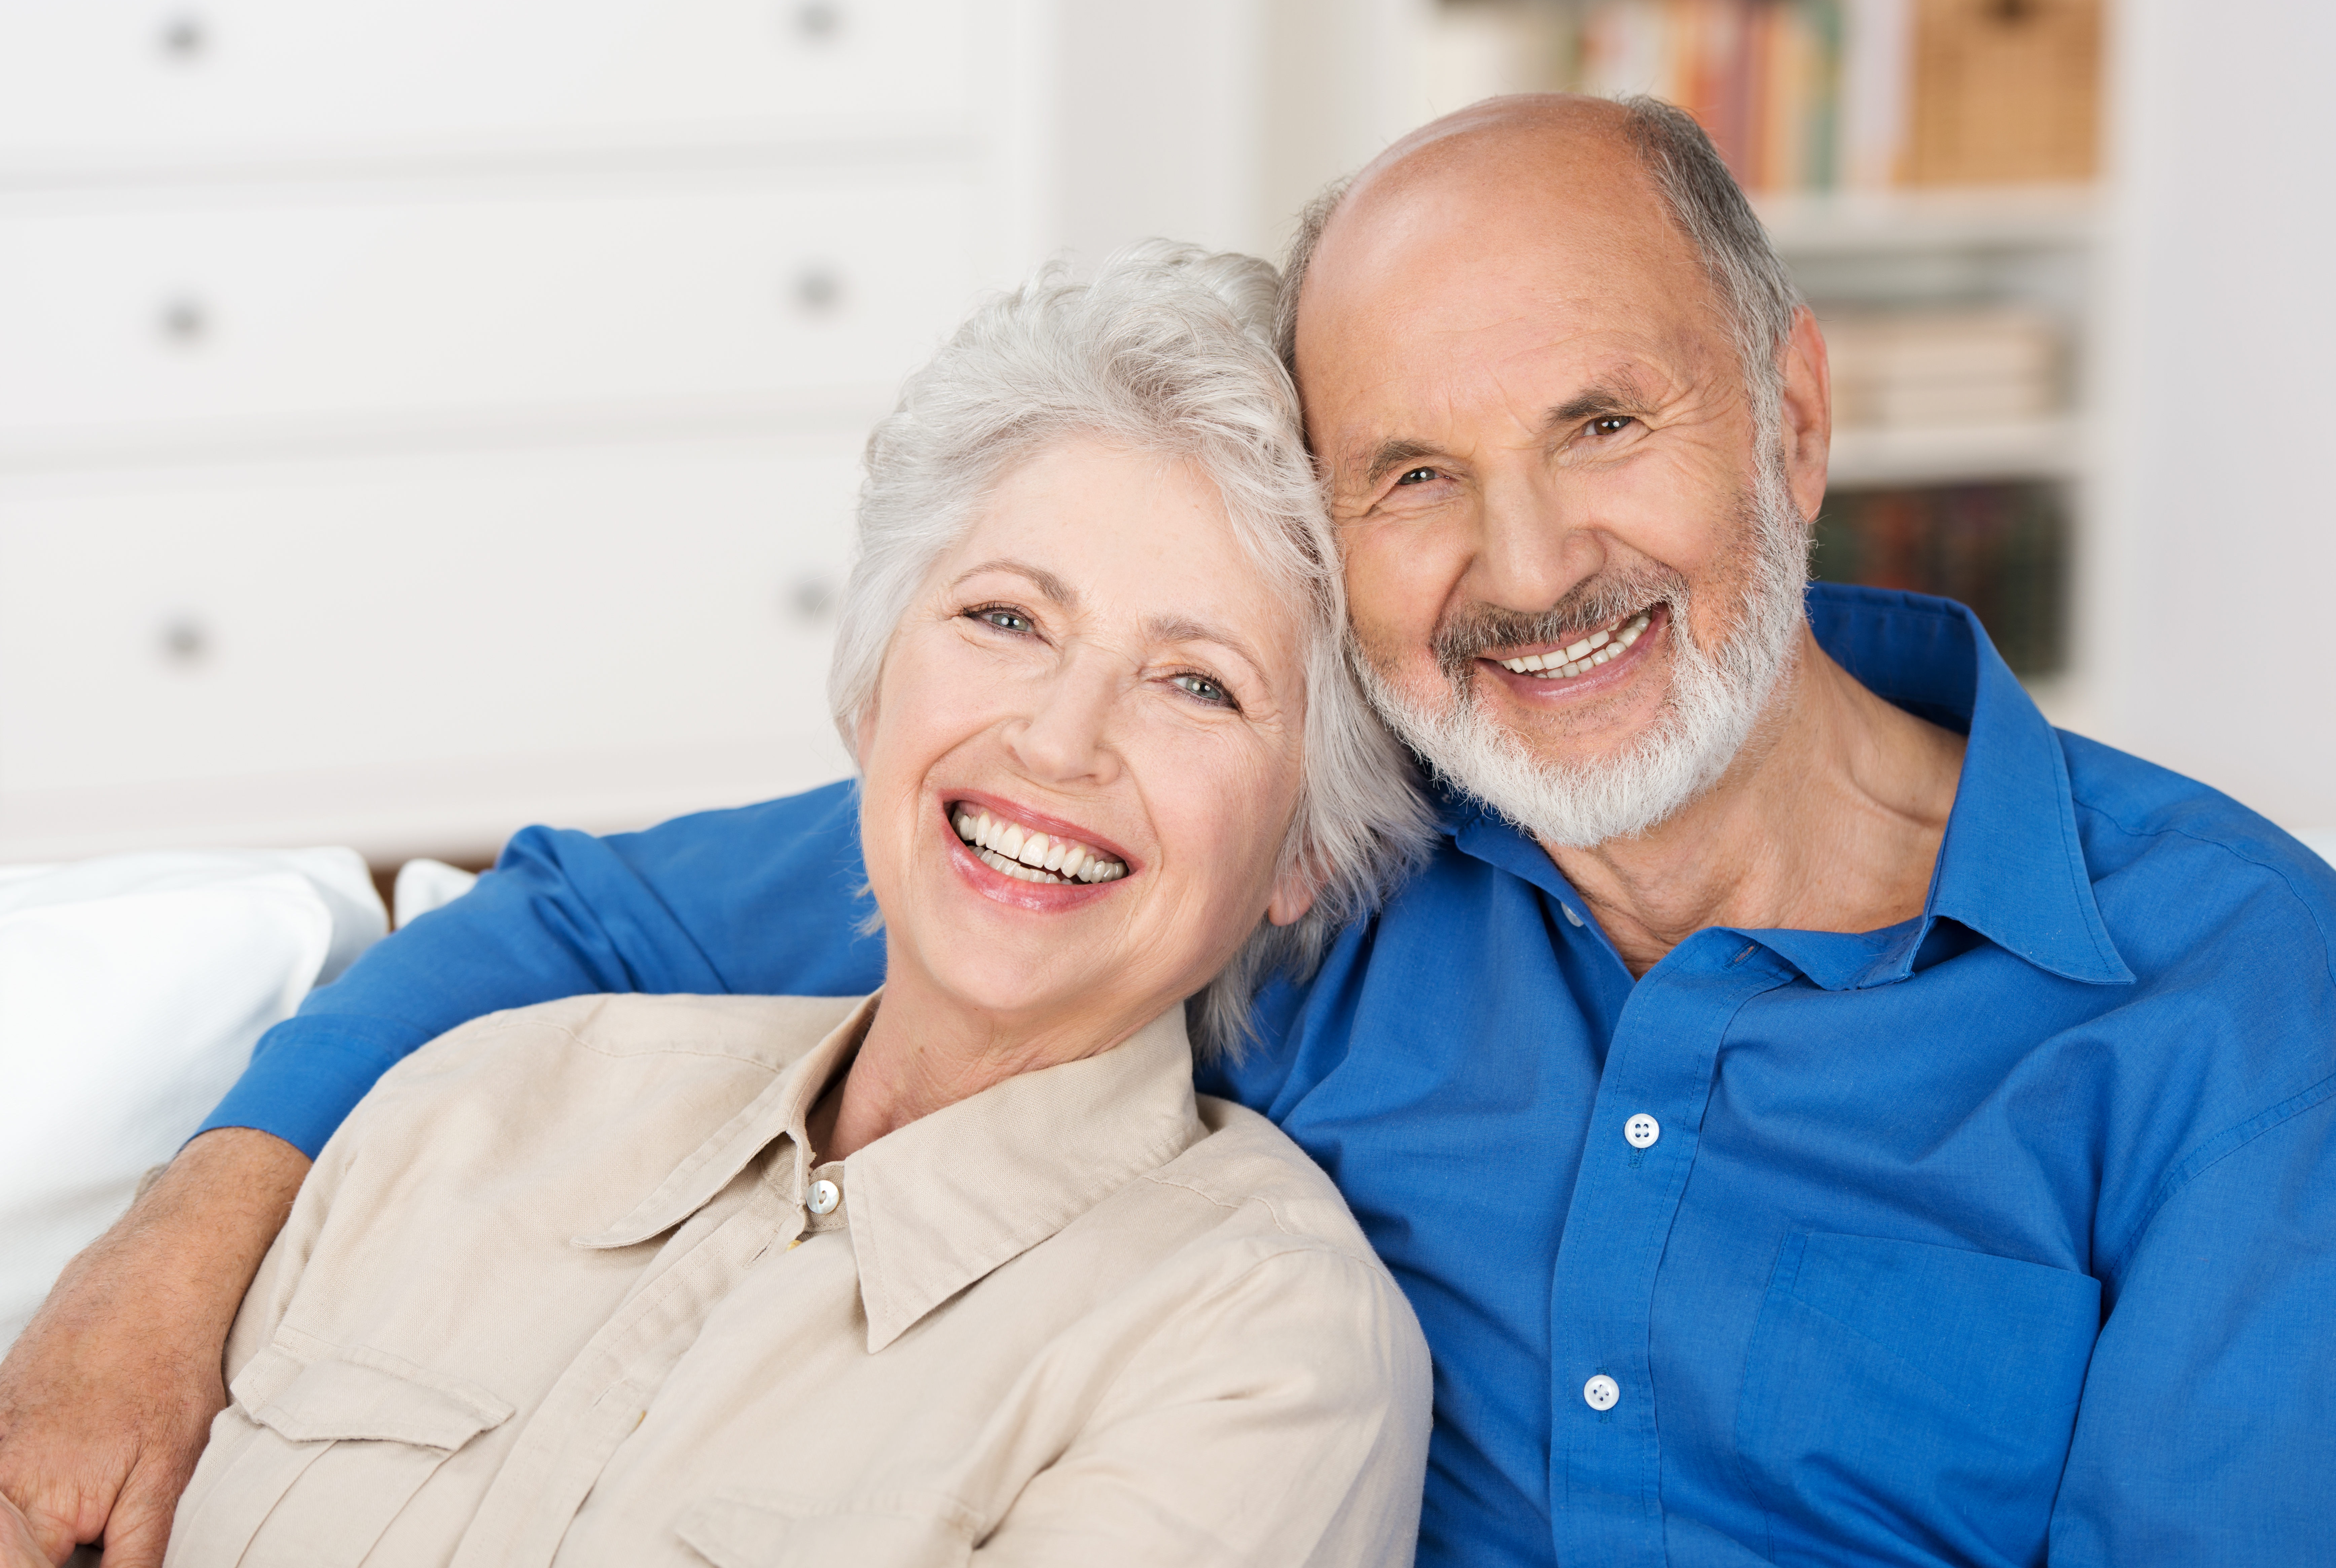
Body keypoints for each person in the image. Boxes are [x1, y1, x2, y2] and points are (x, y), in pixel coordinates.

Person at [6, 94, 2336, 1566]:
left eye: (1606, 426)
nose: (1524, 570)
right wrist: (155, 1268)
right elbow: (577, 911)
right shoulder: (1284, 845)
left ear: (1795, 415)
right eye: (1415, 474)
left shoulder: (2228, 1005)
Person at [14, 248, 1441, 1567]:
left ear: (1300, 854)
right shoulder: (470, 1104)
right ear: (875, 689)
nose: (1060, 740)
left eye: (1199, 683)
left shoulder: (1255, 1346)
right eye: (1005, 619)